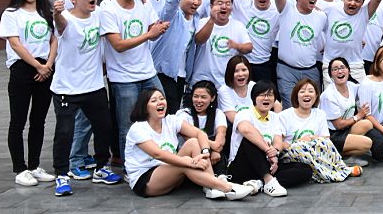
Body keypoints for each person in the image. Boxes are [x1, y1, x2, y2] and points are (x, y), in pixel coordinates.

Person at [50, 0, 124, 196]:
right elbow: (60, 24)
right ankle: (62, 175)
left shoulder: (99, 13)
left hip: (94, 86)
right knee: (64, 133)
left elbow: (117, 1)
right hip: (67, 89)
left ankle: (101, 168)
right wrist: (56, 14)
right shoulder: (65, 19)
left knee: (104, 128)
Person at [124, 88, 254, 200]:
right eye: (154, 101)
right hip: (146, 181)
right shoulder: (138, 129)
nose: (160, 102)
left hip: (171, 172)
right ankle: (228, 187)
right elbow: (158, 154)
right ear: (145, 108)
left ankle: (211, 186)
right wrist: (190, 162)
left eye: (162, 98)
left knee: (193, 142)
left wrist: (205, 152)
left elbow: (200, 134)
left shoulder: (171, 120)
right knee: (185, 163)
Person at [100, 0, 168, 164]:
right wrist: (149, 34)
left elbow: (153, 32)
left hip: (148, 73)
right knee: (128, 125)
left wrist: (159, 30)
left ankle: (158, 158)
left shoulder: (143, 3)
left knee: (160, 116)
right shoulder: (108, 9)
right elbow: (118, 45)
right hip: (123, 78)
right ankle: (130, 167)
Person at [0, 0, 59, 186]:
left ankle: (34, 166)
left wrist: (48, 65)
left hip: (46, 69)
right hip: (22, 69)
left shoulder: (47, 13)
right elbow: (15, 44)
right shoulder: (11, 13)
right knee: (18, 121)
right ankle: (20, 169)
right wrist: (37, 66)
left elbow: (54, 39)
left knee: (38, 121)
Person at [273, 79, 359, 184]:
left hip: (313, 152)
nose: (306, 94)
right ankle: (341, 172)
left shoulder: (320, 114)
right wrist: (299, 145)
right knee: (301, 148)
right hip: (292, 153)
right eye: (302, 91)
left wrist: (310, 138)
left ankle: (339, 168)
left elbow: (326, 139)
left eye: (310, 91)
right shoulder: (284, 116)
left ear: (316, 96)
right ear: (296, 96)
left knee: (325, 143)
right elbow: (279, 142)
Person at [227, 81, 301, 197]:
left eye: (270, 95)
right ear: (254, 98)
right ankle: (268, 180)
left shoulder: (275, 117)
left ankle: (259, 183)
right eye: (262, 95)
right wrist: (268, 151)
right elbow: (246, 130)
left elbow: (278, 141)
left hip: (267, 164)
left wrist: (275, 152)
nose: (266, 98)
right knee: (250, 141)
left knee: (304, 169)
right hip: (242, 165)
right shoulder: (244, 113)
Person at [321, 0, 383, 84]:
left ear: (363, 2)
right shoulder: (331, 8)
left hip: (355, 65)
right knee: (332, 95)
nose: (353, 3)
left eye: (357, 0)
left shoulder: (364, 12)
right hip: (330, 63)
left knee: (361, 95)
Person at [152, 0, 203, 114]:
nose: (196, 2)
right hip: (163, 72)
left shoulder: (196, 18)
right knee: (166, 113)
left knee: (174, 112)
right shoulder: (170, 14)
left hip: (181, 75)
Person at [320, 58, 383, 167]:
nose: (340, 71)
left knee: (367, 123)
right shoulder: (329, 95)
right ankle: (341, 158)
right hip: (332, 135)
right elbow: (338, 125)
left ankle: (346, 154)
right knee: (367, 143)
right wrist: (358, 116)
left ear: (348, 70)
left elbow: (366, 88)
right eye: (335, 69)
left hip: (345, 130)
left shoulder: (351, 86)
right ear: (330, 75)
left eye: (342, 68)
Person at [275, 0, 328, 101]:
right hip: (286, 70)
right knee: (290, 105)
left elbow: (332, 34)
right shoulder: (287, 9)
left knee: (313, 105)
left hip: (311, 70)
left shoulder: (321, 16)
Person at [192, 0, 252, 92]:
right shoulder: (202, 22)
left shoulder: (238, 26)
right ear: (211, 6)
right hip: (202, 79)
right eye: (219, 4)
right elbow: (199, 40)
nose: (224, 7)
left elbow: (249, 47)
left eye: (228, 4)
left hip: (226, 83)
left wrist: (237, 46)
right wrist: (212, 20)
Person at [175, 80, 227, 171]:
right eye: (196, 96)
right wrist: (212, 145)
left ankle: (221, 176)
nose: (199, 100)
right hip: (188, 155)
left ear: (212, 98)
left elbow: (221, 133)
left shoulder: (218, 113)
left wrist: (216, 150)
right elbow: (187, 136)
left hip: (209, 153)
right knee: (197, 142)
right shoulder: (183, 114)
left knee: (215, 145)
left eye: (203, 97)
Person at [219, 56, 280, 124]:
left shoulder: (253, 85)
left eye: (244, 70)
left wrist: (273, 124)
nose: (240, 74)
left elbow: (277, 105)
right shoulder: (224, 91)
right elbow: (233, 118)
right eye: (236, 71)